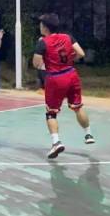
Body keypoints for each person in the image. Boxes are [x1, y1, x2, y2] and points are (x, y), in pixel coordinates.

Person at [32, 13, 95, 159]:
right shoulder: (67, 37)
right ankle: (88, 134)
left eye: (41, 24)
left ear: (45, 27)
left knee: (51, 112)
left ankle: (56, 142)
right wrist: (68, 61)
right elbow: (81, 53)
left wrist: (47, 61)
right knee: (77, 106)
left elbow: (36, 64)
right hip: (71, 74)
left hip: (55, 78)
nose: (40, 26)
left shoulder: (43, 42)